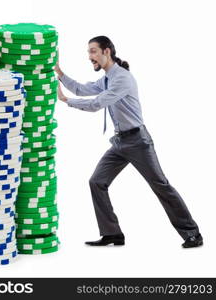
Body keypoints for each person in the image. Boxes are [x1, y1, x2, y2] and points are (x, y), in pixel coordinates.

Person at [55, 36, 203, 248]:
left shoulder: (122, 78)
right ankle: (112, 234)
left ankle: (193, 234)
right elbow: (83, 89)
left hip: (137, 141)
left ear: (107, 51)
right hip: (120, 142)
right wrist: (60, 74)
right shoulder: (106, 79)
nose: (90, 57)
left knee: (161, 185)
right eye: (88, 52)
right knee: (97, 181)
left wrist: (67, 101)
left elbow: (97, 103)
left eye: (93, 51)